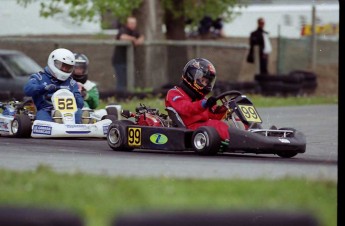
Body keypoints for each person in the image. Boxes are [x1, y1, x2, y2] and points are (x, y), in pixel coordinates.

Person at [165, 58, 229, 140]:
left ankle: (247, 134)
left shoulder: (200, 98)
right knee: (217, 125)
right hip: (190, 128)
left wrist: (223, 109)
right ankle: (236, 140)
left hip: (203, 127)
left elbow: (213, 116)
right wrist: (204, 104)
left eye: (207, 82)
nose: (205, 84)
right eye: (202, 80)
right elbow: (186, 108)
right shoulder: (174, 93)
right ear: (191, 76)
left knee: (233, 122)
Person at [24, 48, 84, 123]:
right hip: (46, 110)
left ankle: (78, 128)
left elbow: (80, 104)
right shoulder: (39, 77)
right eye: (62, 66)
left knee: (79, 113)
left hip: (69, 113)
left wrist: (76, 97)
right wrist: (44, 88)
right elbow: (27, 89)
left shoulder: (71, 83)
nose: (64, 69)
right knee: (42, 116)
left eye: (68, 67)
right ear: (52, 62)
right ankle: (53, 126)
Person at [111, 16, 144, 92]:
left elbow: (142, 37)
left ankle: (128, 95)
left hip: (128, 61)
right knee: (121, 81)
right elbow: (122, 37)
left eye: (134, 23)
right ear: (127, 23)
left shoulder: (135, 31)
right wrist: (133, 39)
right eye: (131, 23)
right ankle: (121, 96)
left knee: (128, 80)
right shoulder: (123, 29)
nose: (133, 25)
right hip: (119, 61)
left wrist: (138, 40)